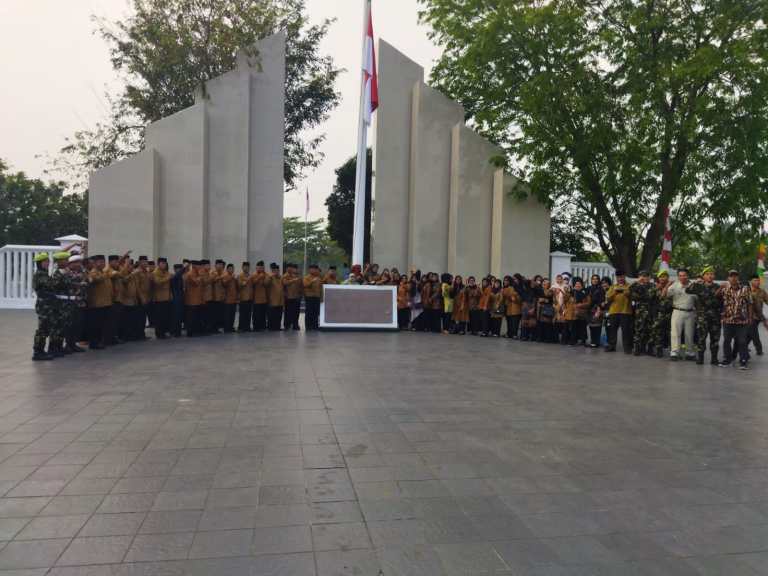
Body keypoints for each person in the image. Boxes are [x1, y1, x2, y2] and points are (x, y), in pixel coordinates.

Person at [685, 266, 723, 365]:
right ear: (703, 276)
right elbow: (687, 290)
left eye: (711, 274)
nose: (710, 276)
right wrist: (696, 282)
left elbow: (723, 301)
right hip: (703, 317)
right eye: (707, 274)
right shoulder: (699, 286)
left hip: (715, 317)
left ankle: (714, 358)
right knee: (701, 338)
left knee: (715, 339)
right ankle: (700, 358)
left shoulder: (718, 287)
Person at [719, 270, 753, 369]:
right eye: (731, 276)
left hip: (741, 320)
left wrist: (750, 317)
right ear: (728, 278)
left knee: (742, 341)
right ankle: (727, 360)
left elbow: (750, 303)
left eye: (735, 276)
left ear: (738, 278)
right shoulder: (725, 289)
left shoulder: (745, 289)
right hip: (728, 320)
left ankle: (743, 361)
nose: (733, 278)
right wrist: (720, 287)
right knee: (726, 340)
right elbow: (715, 297)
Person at [665, 268, 696, 360]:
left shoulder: (693, 285)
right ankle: (674, 352)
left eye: (684, 275)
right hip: (677, 311)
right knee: (675, 333)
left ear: (688, 275)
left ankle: (689, 353)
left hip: (690, 312)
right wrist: (667, 286)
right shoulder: (674, 285)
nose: (683, 277)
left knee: (689, 334)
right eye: (680, 276)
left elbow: (698, 299)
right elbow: (666, 295)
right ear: (678, 277)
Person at [32, 252, 56, 360]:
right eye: (46, 261)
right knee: (42, 329)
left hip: (47, 305)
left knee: (45, 329)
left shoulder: (44, 273)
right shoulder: (40, 274)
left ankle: (41, 350)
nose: (48, 263)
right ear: (40, 263)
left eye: (48, 261)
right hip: (43, 306)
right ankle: (38, 352)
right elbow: (51, 285)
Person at [86, 255, 113, 350]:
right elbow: (97, 279)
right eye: (100, 262)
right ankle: (94, 343)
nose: (102, 264)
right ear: (95, 263)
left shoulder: (103, 272)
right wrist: (105, 274)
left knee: (102, 324)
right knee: (95, 325)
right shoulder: (93, 272)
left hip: (105, 302)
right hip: (97, 303)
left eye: (103, 262)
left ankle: (100, 341)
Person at [605, 270, 633, 353]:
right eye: (618, 277)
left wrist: (628, 294)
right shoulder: (613, 287)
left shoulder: (629, 286)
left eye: (622, 276)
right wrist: (614, 293)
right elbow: (608, 299)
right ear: (616, 277)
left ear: (624, 276)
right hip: (613, 311)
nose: (620, 278)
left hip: (626, 311)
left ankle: (627, 348)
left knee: (626, 331)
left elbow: (634, 298)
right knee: (612, 330)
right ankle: (611, 346)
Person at [65, 254, 88, 353]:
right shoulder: (67, 272)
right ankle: (68, 345)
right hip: (70, 302)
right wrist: (81, 282)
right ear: (71, 263)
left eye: (79, 262)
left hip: (80, 302)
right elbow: (71, 283)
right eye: (77, 262)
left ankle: (73, 344)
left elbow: (87, 280)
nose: (79, 264)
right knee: (70, 324)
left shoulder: (82, 272)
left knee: (78, 324)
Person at [629, 270, 654, 356]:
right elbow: (630, 291)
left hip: (651, 311)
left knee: (650, 331)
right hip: (640, 311)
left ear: (649, 277)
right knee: (639, 330)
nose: (644, 278)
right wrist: (637, 282)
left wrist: (642, 296)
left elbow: (651, 296)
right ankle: (637, 349)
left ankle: (649, 349)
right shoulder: (636, 286)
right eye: (642, 276)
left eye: (646, 276)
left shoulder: (652, 286)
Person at [651, 270, 672, 357]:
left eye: (665, 276)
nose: (663, 278)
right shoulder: (656, 287)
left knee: (670, 332)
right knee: (658, 331)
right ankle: (659, 350)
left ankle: (672, 350)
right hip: (659, 313)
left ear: (668, 277)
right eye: (661, 276)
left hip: (670, 313)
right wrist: (666, 286)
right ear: (658, 278)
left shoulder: (672, 287)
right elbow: (661, 296)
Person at [747, 274, 767, 356]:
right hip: (747, 316)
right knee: (752, 333)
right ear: (750, 281)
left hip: (758, 317)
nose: (758, 282)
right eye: (755, 280)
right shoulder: (746, 291)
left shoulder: (762, 292)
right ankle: (758, 349)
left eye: (758, 280)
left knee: (752, 332)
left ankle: (745, 347)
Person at [566, 277, 590, 346]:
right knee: (574, 328)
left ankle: (583, 340)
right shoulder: (571, 293)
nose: (578, 286)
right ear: (574, 286)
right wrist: (568, 291)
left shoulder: (585, 293)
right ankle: (573, 340)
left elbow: (588, 303)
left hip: (582, 313)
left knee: (583, 327)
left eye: (579, 285)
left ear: (582, 286)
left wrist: (580, 305)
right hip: (573, 313)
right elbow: (566, 299)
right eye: (576, 285)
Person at [152, 258, 172, 339]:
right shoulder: (155, 273)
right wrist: (168, 277)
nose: (164, 265)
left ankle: (163, 332)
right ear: (158, 264)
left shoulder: (166, 272)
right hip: (159, 298)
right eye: (162, 263)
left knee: (165, 317)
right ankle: (159, 334)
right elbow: (158, 282)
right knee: (159, 317)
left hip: (166, 297)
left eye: (165, 263)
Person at [183, 261, 203, 336]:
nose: (200, 268)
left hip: (197, 299)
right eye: (199, 266)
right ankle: (190, 332)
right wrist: (200, 277)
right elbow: (196, 282)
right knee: (190, 317)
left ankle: (195, 331)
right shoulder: (190, 274)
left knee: (195, 317)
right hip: (191, 300)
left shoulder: (197, 273)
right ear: (194, 266)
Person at [282, 263, 302, 331]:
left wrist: (300, 294)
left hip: (297, 297)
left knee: (296, 312)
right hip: (289, 297)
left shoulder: (298, 276)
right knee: (288, 312)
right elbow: (284, 283)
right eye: (293, 268)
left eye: (295, 268)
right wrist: (293, 280)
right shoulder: (285, 276)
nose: (294, 270)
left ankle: (295, 325)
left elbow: (301, 286)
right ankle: (287, 325)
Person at [586, 274, 604, 348]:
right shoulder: (589, 288)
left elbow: (601, 300)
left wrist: (598, 310)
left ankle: (596, 342)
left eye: (596, 279)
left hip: (597, 309)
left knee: (597, 326)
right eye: (593, 279)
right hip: (589, 310)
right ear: (591, 280)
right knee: (591, 326)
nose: (595, 280)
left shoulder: (600, 289)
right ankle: (593, 341)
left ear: (598, 280)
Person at [303, 264, 323, 331]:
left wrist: (321, 297)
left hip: (317, 297)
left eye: (315, 269)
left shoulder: (319, 277)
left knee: (316, 312)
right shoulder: (306, 277)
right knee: (309, 312)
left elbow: (321, 288)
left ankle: (315, 326)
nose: (314, 270)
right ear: (309, 270)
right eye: (313, 269)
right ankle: (308, 327)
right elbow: (305, 285)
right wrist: (312, 281)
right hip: (309, 297)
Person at [251, 261, 269, 332]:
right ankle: (256, 327)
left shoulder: (266, 275)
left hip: (264, 298)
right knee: (256, 314)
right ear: (256, 267)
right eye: (259, 267)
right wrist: (259, 277)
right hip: (256, 298)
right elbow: (253, 283)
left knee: (263, 314)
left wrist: (264, 278)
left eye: (262, 267)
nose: (261, 268)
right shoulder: (253, 275)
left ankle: (263, 326)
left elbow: (266, 284)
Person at [267, 263, 284, 331]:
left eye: (278, 270)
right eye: (275, 271)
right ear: (273, 271)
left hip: (280, 300)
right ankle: (271, 327)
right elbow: (266, 283)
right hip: (273, 300)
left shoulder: (281, 278)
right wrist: (271, 276)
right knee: (272, 315)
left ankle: (277, 326)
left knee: (279, 315)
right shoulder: (270, 277)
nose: (277, 272)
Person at [211, 260, 226, 333]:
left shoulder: (224, 273)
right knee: (214, 314)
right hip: (215, 297)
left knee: (221, 314)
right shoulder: (212, 273)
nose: (220, 266)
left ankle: (220, 327)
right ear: (215, 265)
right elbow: (212, 280)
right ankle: (214, 328)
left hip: (222, 297)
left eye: (221, 265)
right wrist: (220, 277)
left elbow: (225, 284)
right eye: (218, 265)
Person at [237, 262, 253, 332]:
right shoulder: (240, 276)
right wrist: (247, 279)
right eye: (245, 267)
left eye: (247, 267)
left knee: (248, 313)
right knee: (242, 314)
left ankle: (247, 327)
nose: (246, 268)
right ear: (242, 267)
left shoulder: (251, 276)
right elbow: (240, 285)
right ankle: (241, 327)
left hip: (250, 298)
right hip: (243, 298)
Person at [170, 263, 185, 337]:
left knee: (179, 316)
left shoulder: (180, 277)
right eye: (179, 269)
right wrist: (184, 268)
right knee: (176, 317)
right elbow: (177, 275)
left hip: (180, 298)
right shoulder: (174, 276)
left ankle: (178, 331)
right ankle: (175, 332)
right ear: (175, 270)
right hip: (175, 299)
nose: (180, 270)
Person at [223, 263, 238, 332]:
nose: (231, 270)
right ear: (227, 269)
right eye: (230, 269)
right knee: (227, 315)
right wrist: (231, 277)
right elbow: (224, 283)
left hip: (234, 299)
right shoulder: (225, 276)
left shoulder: (234, 277)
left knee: (232, 315)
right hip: (227, 299)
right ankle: (227, 328)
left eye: (232, 269)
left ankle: (231, 327)